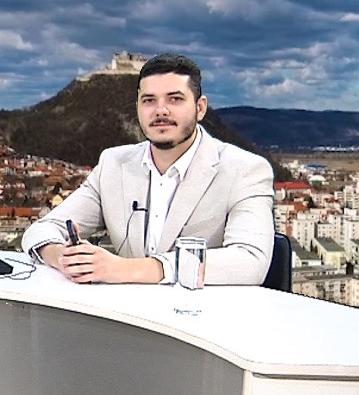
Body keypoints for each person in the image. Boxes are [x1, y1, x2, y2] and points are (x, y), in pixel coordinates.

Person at [21, 53, 274, 285]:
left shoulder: (245, 170)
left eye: (175, 99)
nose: (160, 110)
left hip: (200, 315)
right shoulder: (113, 165)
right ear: (138, 108)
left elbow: (250, 261)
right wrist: (65, 257)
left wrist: (125, 269)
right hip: (126, 315)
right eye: (149, 100)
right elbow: (41, 230)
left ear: (200, 108)